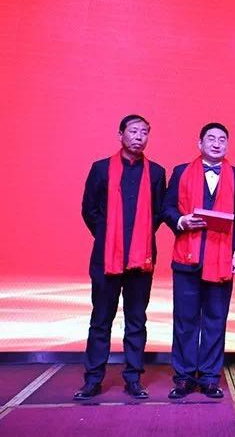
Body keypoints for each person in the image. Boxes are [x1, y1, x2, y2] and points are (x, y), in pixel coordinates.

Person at [75, 114, 167, 401]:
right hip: (106, 259)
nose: (139, 137)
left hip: (142, 260)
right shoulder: (101, 168)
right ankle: (93, 380)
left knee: (136, 321)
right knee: (101, 320)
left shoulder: (156, 173)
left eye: (144, 132)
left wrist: (137, 239)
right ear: (120, 135)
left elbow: (157, 214)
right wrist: (108, 237)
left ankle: (133, 379)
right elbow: (89, 209)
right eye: (134, 131)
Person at [164, 122, 235, 399]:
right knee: (185, 320)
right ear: (199, 143)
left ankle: (211, 377)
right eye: (210, 138)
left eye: (222, 139)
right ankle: (184, 377)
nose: (216, 143)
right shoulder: (181, 172)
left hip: (222, 259)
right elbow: (166, 207)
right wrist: (180, 220)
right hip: (187, 258)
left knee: (215, 320)